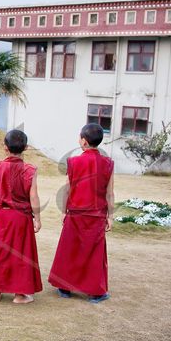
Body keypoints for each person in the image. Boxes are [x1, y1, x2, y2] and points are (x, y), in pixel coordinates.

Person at [48, 123, 114, 304]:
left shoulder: (74, 162)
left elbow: (67, 189)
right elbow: (109, 192)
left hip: (75, 212)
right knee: (94, 253)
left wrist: (64, 211)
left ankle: (64, 287)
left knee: (70, 248)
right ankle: (95, 293)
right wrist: (110, 216)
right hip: (96, 214)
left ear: (83, 141)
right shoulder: (107, 163)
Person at [0, 129, 42, 304]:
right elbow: (33, 196)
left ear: (5, 147)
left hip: (2, 217)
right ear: (26, 147)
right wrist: (37, 217)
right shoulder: (29, 170)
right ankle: (20, 294)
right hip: (21, 218)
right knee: (21, 254)